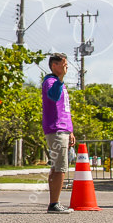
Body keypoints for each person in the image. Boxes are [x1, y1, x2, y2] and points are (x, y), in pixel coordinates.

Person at [41, 53, 76, 214]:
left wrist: (70, 130)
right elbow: (53, 97)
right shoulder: (51, 82)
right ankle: (54, 203)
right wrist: (60, 79)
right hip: (56, 129)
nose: (66, 68)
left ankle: (53, 202)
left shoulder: (59, 83)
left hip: (63, 129)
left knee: (57, 167)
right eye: (64, 65)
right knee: (60, 168)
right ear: (54, 66)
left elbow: (65, 110)